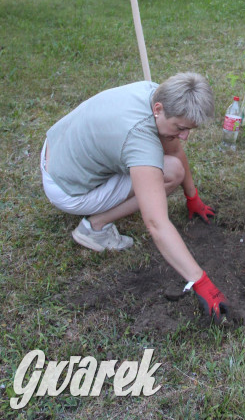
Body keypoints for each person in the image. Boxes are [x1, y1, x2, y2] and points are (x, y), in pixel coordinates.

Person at [41, 72, 228, 323]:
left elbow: (173, 147)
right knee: (170, 173)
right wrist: (200, 281)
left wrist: (192, 197)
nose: (185, 136)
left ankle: (98, 216)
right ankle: (95, 227)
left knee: (171, 163)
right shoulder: (140, 141)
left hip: (59, 149)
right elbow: (156, 223)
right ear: (159, 109)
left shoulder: (153, 92)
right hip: (67, 188)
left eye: (189, 129)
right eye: (181, 128)